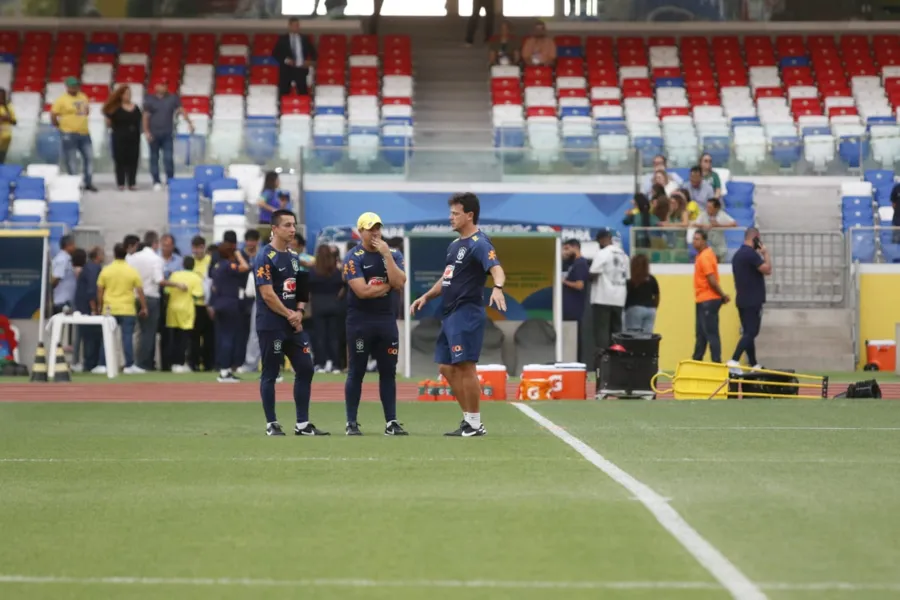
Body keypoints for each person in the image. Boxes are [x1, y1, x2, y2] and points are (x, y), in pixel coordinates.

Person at [410, 193, 506, 437]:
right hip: (449, 313)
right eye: (450, 212)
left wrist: (498, 288)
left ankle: (475, 423)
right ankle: (470, 421)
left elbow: (496, 269)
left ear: (469, 215)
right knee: (445, 367)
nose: (450, 217)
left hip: (467, 312)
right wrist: (426, 297)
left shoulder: (480, 243)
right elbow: (447, 278)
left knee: (465, 367)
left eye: (455, 213)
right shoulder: (454, 246)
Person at [253, 209, 328, 436]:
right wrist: (290, 314)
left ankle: (302, 424)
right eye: (287, 225)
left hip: (292, 325)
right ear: (274, 229)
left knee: (306, 368)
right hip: (272, 324)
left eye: (293, 224)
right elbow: (267, 294)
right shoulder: (264, 257)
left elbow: (302, 292)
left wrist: (299, 311)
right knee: (271, 372)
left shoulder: (296, 259)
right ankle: (272, 423)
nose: (292, 229)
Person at [342, 212, 408, 436]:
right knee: (357, 371)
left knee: (388, 371)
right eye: (370, 229)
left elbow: (400, 282)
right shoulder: (354, 257)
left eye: (378, 228)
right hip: (360, 323)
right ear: (361, 232)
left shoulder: (393, 254)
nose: (376, 233)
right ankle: (351, 422)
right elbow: (362, 291)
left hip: (386, 322)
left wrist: (387, 256)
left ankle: (391, 421)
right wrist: (387, 287)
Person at [97, 242, 149, 374]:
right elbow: (139, 290)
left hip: (109, 308)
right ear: (126, 254)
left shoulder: (106, 270)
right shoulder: (131, 271)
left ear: (114, 254)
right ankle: (129, 365)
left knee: (107, 337)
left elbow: (100, 289)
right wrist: (144, 307)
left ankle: (103, 365)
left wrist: (99, 306)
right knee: (127, 338)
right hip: (127, 308)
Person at [209, 231, 251, 383]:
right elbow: (245, 267)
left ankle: (223, 368)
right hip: (230, 303)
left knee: (222, 337)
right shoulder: (228, 265)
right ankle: (225, 371)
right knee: (228, 337)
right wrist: (238, 255)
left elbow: (213, 286)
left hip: (219, 303)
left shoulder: (217, 266)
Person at [728, 228, 771, 370]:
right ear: (756, 239)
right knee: (752, 332)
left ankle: (753, 363)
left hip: (742, 299)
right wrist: (765, 253)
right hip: (753, 300)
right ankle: (734, 359)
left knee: (748, 332)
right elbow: (767, 269)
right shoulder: (751, 255)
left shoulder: (738, 255)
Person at [143, 81, 194, 191]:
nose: (163, 87)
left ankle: (170, 180)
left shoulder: (173, 98)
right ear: (155, 86)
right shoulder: (149, 99)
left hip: (167, 133)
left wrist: (189, 122)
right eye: (160, 84)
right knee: (154, 158)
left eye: (165, 85)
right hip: (153, 133)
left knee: (168, 158)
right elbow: (145, 116)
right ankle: (156, 181)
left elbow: (181, 110)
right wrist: (146, 131)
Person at [51, 77, 97, 192]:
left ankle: (88, 182)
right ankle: (74, 183)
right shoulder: (61, 100)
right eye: (72, 86)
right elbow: (53, 114)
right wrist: (59, 126)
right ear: (67, 86)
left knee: (89, 157)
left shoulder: (83, 96)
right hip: (68, 133)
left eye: (76, 85)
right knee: (71, 159)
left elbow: (87, 111)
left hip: (84, 132)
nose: (74, 87)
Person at [589, 229, 629, 355]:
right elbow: (628, 277)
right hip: (619, 298)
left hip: (603, 297)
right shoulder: (624, 256)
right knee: (616, 333)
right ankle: (616, 360)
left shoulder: (603, 253)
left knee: (602, 332)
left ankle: (603, 361)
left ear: (602, 240)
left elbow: (593, 272)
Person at [692, 230, 730, 363]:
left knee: (710, 334)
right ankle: (697, 361)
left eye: (697, 239)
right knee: (701, 334)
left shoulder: (705, 257)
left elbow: (711, 279)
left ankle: (716, 363)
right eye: (694, 239)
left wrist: (722, 295)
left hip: (708, 299)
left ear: (704, 241)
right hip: (703, 299)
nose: (694, 241)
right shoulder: (703, 255)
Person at [309, 243, 344, 374]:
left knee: (320, 336)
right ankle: (335, 364)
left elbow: (308, 289)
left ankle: (321, 363)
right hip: (334, 304)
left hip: (318, 304)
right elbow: (344, 285)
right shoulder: (336, 271)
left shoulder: (313, 271)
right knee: (334, 337)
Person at [166, 256, 204, 373]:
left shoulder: (175, 275)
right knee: (184, 338)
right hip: (186, 310)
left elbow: (167, 291)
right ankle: (181, 363)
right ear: (193, 266)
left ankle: (172, 363)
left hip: (172, 309)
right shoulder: (196, 278)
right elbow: (198, 294)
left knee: (174, 338)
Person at [103, 85, 142, 191]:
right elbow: (108, 123)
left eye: (129, 94)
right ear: (120, 95)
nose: (128, 96)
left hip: (134, 137)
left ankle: (132, 183)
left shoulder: (136, 107)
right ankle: (121, 182)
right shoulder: (114, 108)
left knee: (133, 160)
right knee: (120, 160)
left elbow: (139, 122)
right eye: (125, 94)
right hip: (119, 137)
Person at [75, 246, 105, 374]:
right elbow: (91, 291)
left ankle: (89, 362)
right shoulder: (94, 268)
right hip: (87, 308)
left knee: (89, 336)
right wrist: (94, 309)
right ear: (97, 256)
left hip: (83, 306)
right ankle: (90, 364)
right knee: (91, 336)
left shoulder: (88, 267)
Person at [272, 17, 317, 98]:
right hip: (286, 69)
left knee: (303, 91)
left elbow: (314, 53)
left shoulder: (305, 38)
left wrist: (310, 62)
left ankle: (304, 108)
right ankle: (283, 108)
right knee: (284, 92)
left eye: (297, 25)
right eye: (294, 25)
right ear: (289, 26)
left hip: (301, 68)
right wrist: (286, 60)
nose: (296, 27)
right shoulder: (282, 39)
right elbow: (275, 53)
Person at [188, 235, 214, 372]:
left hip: (208, 304)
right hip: (194, 304)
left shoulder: (210, 261)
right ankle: (194, 363)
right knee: (194, 337)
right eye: (194, 248)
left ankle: (208, 363)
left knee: (209, 336)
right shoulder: (190, 262)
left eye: (199, 248)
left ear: (204, 247)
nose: (197, 251)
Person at [624, 254, 659, 333]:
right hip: (650, 310)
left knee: (633, 337)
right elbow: (657, 295)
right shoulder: (651, 278)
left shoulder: (631, 279)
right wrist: (654, 306)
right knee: (647, 338)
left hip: (634, 309)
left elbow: (625, 295)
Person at [51, 235, 77, 315]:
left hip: (66, 301)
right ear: (68, 245)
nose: (75, 247)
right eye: (73, 244)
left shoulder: (66, 258)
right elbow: (56, 278)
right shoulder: (62, 259)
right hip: (62, 302)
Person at [0, 87, 15, 164]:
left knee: (2, 158)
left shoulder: (9, 107)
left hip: (6, 138)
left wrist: (8, 118)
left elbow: (14, 122)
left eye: (2, 96)